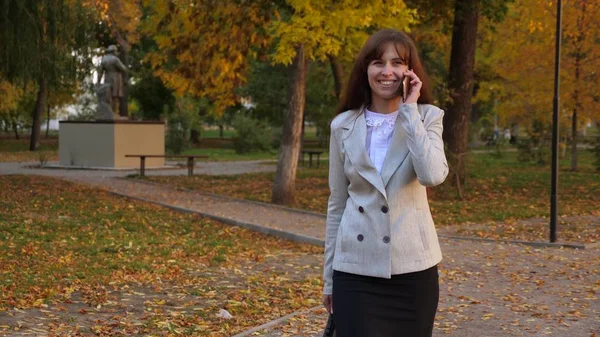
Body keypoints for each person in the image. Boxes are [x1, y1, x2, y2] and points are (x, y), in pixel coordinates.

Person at [322, 28, 448, 337]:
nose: (387, 71)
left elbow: (432, 175)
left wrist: (409, 111)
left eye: (397, 63)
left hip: (413, 270)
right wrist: (329, 279)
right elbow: (337, 204)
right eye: (378, 62)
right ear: (365, 69)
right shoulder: (343, 126)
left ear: (410, 71)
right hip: (355, 269)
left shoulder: (427, 116)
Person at [97, 45, 127, 116]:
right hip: (115, 78)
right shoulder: (115, 59)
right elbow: (123, 68)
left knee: (108, 95)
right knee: (115, 95)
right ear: (114, 51)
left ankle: (108, 111)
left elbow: (100, 72)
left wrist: (98, 82)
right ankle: (113, 112)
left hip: (107, 78)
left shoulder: (104, 59)